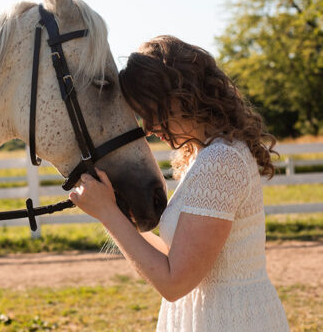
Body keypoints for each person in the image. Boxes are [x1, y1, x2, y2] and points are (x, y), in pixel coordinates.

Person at [69, 35, 290, 331]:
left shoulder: (220, 161)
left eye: (149, 110)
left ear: (179, 95)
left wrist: (108, 214)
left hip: (229, 320)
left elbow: (174, 282)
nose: (146, 127)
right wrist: (108, 210)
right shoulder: (203, 155)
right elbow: (173, 255)